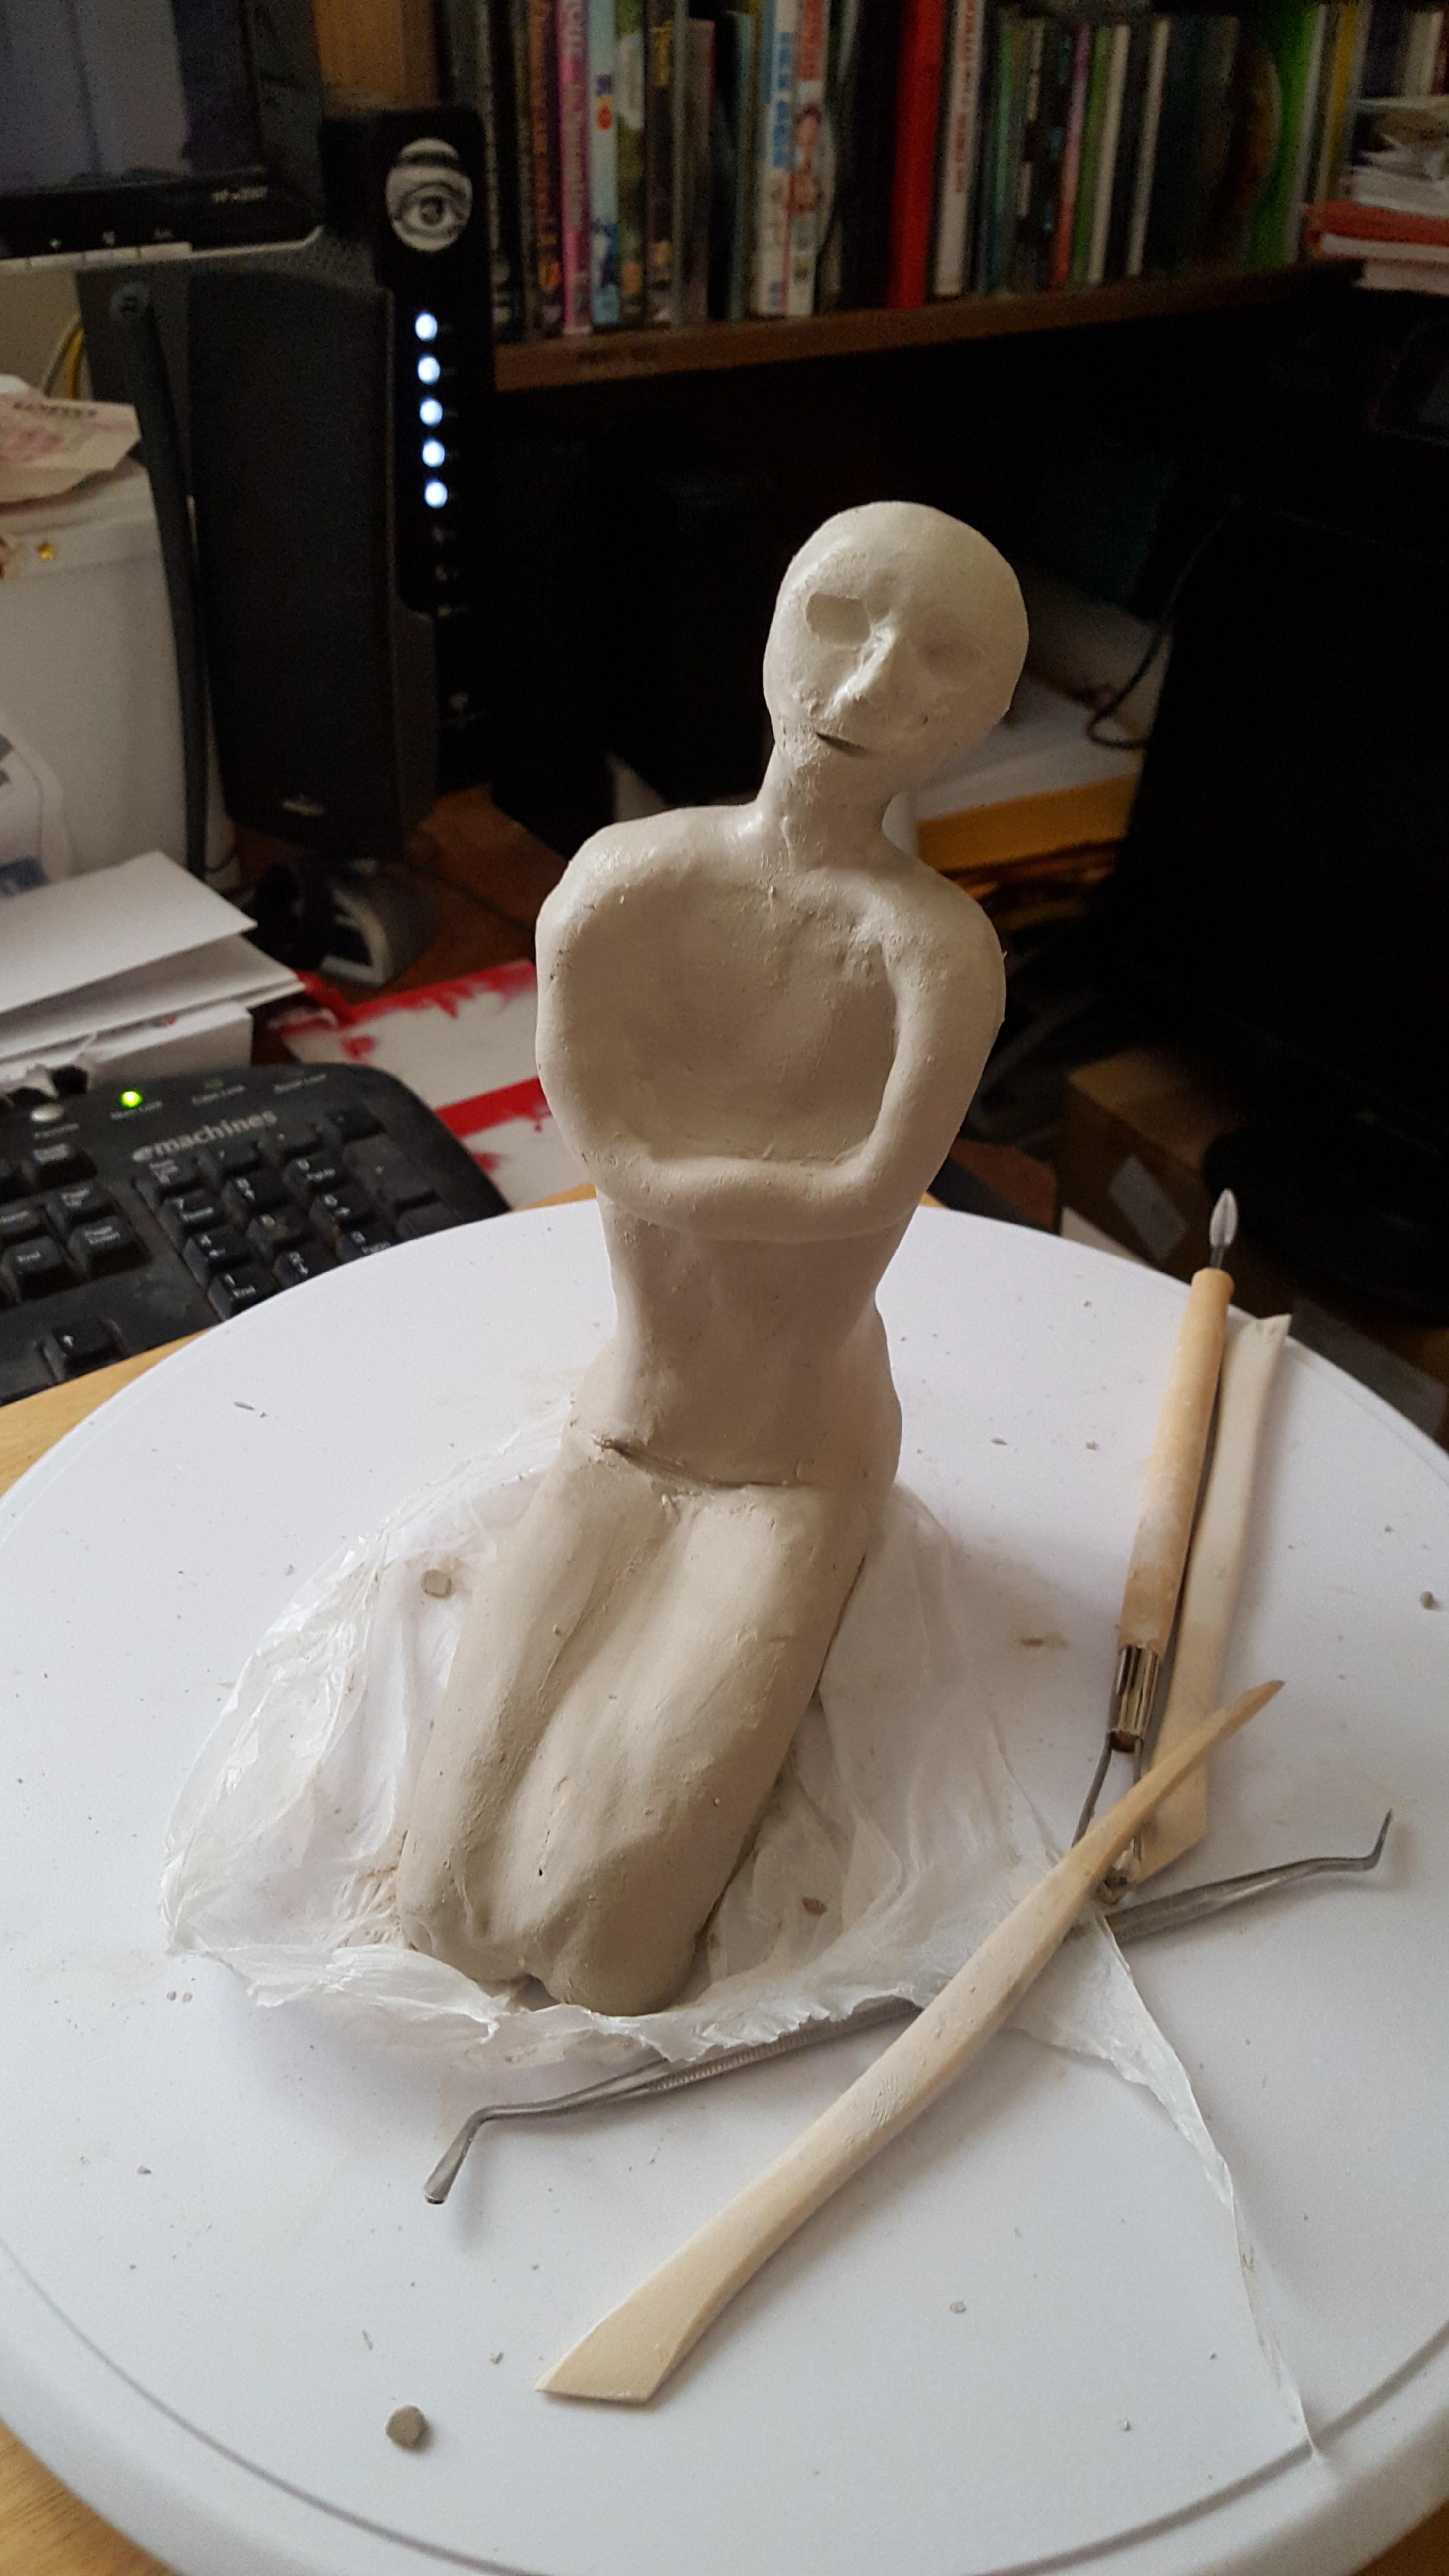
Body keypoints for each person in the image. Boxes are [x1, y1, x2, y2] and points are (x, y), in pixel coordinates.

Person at [397, 501, 1028, 2015]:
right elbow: (611, 1140)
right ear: (774, 624)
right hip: (631, 1417)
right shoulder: (625, 883)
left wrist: (675, 1168)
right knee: (443, 1903)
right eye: (840, 619)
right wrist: (715, 1174)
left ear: (985, 712)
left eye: (938, 659)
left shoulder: (933, 951)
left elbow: (872, 1179)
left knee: (607, 1932)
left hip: (798, 1452)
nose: (867, 687)